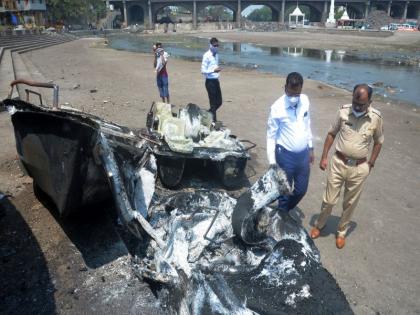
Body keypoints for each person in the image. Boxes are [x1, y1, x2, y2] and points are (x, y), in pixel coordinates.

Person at [310, 84, 384, 249]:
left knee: (350, 203)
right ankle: (319, 225)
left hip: (359, 167)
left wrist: (371, 163)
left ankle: (341, 232)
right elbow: (331, 133)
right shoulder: (343, 111)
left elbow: (379, 141)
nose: (357, 107)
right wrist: (324, 157)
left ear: (370, 102)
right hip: (338, 162)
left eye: (361, 104)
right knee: (329, 200)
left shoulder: (376, 118)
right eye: (355, 102)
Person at [266, 72, 314, 213]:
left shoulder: (305, 100)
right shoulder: (277, 108)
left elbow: (307, 124)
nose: (293, 97)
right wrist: (272, 163)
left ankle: (284, 211)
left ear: (301, 90)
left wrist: (311, 148)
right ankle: (281, 217)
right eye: (290, 94)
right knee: (285, 192)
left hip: (303, 155)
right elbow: (270, 136)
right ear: (285, 88)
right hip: (285, 156)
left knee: (301, 190)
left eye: (296, 94)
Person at [201, 37, 222, 122]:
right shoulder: (206, 55)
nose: (216, 47)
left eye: (217, 45)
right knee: (213, 104)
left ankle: (207, 114)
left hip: (216, 80)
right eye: (215, 45)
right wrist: (213, 70)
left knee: (219, 102)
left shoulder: (217, 54)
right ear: (210, 45)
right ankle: (214, 122)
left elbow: (215, 65)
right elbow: (203, 71)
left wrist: (217, 70)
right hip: (209, 82)